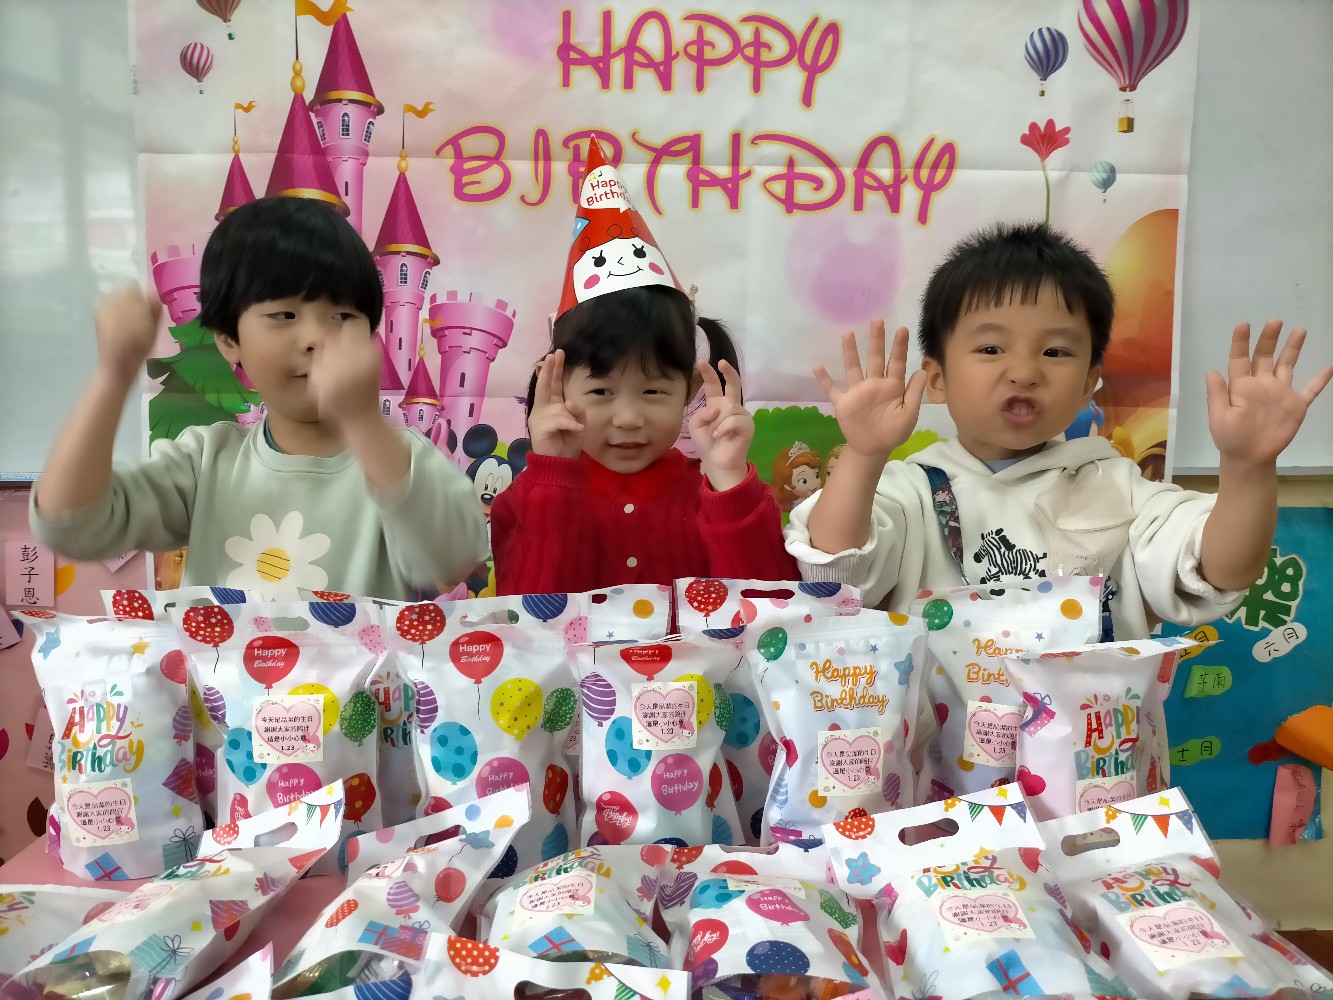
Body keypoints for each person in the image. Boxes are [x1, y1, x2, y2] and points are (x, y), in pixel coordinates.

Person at [786, 221, 1332, 640]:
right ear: (937, 379)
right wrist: (864, 455)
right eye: (991, 348)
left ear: (1090, 381)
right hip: (942, 752)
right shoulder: (909, 490)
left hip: (1093, 751)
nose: (1024, 371)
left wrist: (1248, 467)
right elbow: (836, 570)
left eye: (1054, 351)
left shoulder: (1118, 488)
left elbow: (1222, 570)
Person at [30, 195, 488, 602]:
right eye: (284, 314)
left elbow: (451, 558)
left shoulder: (403, 459)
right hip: (221, 678)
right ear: (229, 339)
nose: (315, 337)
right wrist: (113, 376)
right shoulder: (205, 461)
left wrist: (365, 424)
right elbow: (71, 524)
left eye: (344, 315)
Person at [490, 139, 797, 595]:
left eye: (653, 391)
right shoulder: (526, 499)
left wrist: (729, 481)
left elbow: (772, 610)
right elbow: (528, 619)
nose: (629, 418)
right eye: (601, 391)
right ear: (557, 386)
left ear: (688, 388)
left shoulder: (718, 492)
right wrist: (553, 478)